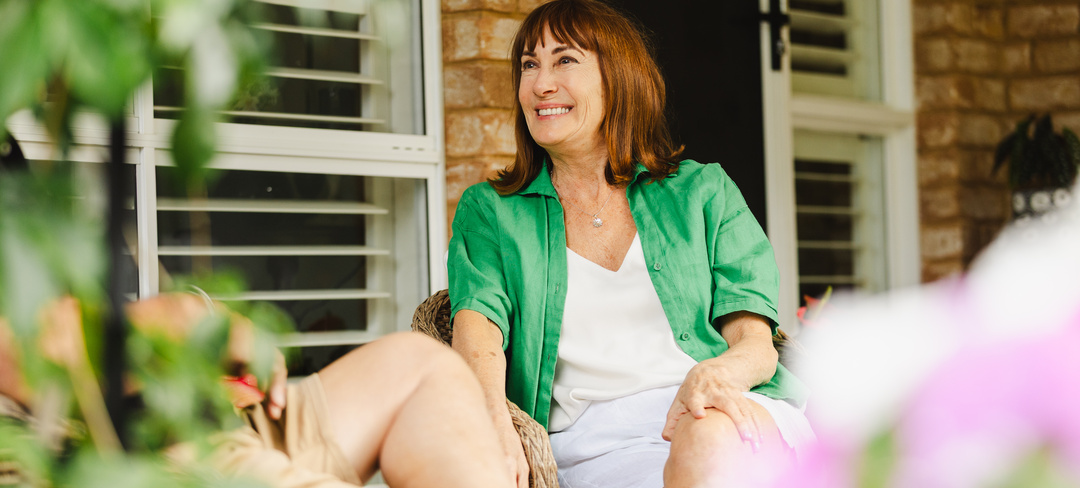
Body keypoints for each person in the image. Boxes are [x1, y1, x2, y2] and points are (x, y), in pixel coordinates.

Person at [447, 1, 815, 487]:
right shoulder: (491, 211)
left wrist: (716, 376)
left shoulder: (702, 192)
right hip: (592, 447)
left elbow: (755, 343)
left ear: (617, 79)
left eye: (565, 61)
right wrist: (490, 417)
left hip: (719, 411)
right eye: (529, 65)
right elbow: (478, 328)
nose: (541, 84)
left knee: (705, 439)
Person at [0, 294, 514, 488]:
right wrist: (190, 317)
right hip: (108, 455)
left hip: (203, 413)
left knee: (419, 364)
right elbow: (27, 354)